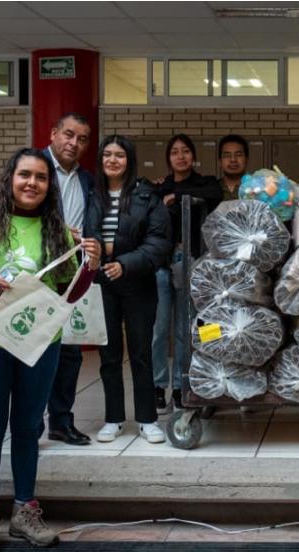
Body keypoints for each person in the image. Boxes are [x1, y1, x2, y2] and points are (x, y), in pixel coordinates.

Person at [0, 148, 101, 552]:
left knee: (26, 428)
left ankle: (24, 510)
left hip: (39, 343)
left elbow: (68, 292)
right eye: (24, 175)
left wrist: (89, 264)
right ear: (10, 178)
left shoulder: (60, 230)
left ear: (48, 186)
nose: (32, 183)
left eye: (40, 177)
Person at [90, 135, 172, 444]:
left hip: (137, 282)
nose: (112, 160)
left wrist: (125, 262)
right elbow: (90, 232)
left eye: (119, 155)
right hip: (102, 282)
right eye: (107, 154)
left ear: (129, 161)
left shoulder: (146, 196)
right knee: (108, 355)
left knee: (141, 353)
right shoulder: (93, 194)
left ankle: (147, 419)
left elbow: (159, 242)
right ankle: (113, 419)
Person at [151, 134, 221, 413]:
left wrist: (176, 197)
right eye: (175, 152)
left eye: (185, 151)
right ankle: (158, 386)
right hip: (160, 263)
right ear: (168, 158)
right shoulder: (159, 186)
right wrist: (166, 194)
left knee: (184, 329)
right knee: (159, 328)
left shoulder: (204, 184)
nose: (180, 157)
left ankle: (182, 386)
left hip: (188, 261)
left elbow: (214, 194)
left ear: (193, 156)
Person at [42, 113, 95, 446]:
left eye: (82, 139)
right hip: (37, 270)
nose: (74, 143)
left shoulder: (87, 179)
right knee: (34, 348)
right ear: (53, 133)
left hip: (72, 272)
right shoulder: (32, 168)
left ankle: (61, 422)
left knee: (71, 352)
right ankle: (30, 423)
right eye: (68, 135)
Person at [217, 134, 249, 201]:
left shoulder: (257, 188)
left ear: (246, 159)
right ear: (220, 161)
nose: (233, 160)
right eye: (227, 155)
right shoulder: (211, 189)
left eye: (238, 155)